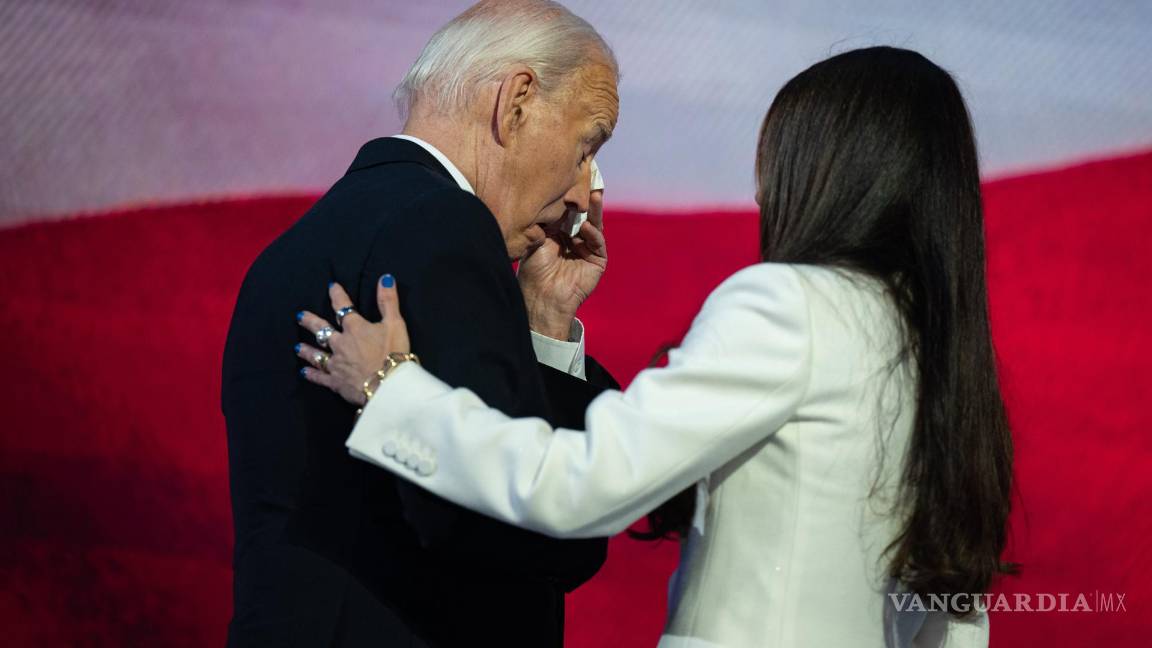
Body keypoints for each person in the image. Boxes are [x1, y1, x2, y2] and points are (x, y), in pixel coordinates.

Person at [297, 47, 1015, 647]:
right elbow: (952, 615)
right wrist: (546, 317)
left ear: (827, 168)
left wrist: (393, 389)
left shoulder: (792, 305)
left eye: (776, 157)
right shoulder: (926, 342)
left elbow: (580, 483)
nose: (762, 192)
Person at [222, 1, 620, 646]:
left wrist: (544, 320)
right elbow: (520, 519)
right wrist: (585, 510)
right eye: (587, 147)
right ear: (516, 102)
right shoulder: (444, 223)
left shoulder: (304, 242)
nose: (583, 193)